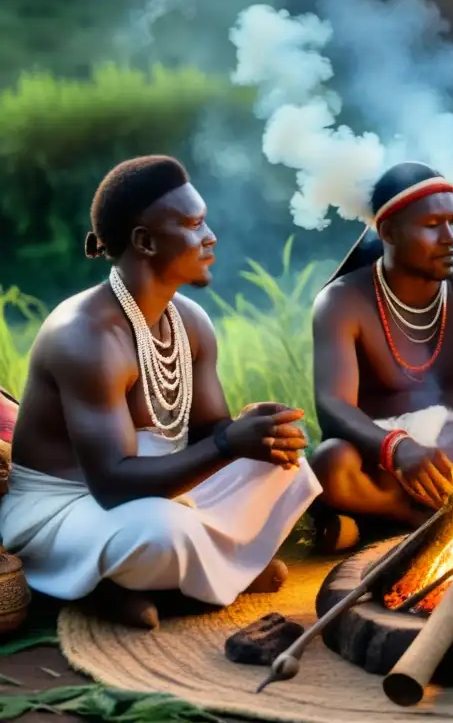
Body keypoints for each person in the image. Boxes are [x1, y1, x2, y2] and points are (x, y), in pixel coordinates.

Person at [0, 156, 322, 629]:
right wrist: (228, 443)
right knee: (164, 532)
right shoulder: (86, 336)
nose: (210, 236)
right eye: (193, 224)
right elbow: (111, 484)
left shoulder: (189, 321)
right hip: (67, 509)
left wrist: (252, 430)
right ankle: (156, 581)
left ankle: (156, 583)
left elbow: (209, 433)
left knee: (287, 471)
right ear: (145, 241)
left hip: (154, 495)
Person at [309, 161, 453, 549]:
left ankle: (396, 525)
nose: (451, 238)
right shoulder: (343, 300)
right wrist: (399, 448)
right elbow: (332, 404)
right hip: (381, 462)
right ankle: (427, 520)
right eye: (432, 225)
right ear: (389, 232)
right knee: (330, 462)